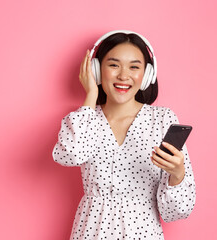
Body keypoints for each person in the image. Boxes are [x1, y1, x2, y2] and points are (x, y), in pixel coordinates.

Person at [52, 30, 196, 239]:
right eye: (113, 65)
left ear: (147, 75)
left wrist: (177, 173)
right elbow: (70, 156)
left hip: (144, 233)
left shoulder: (162, 120)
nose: (123, 75)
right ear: (97, 70)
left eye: (134, 67)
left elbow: (176, 212)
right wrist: (90, 96)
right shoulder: (84, 119)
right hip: (92, 232)